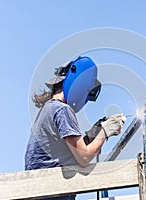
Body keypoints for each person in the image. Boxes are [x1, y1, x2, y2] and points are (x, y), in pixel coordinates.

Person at [25, 56, 126, 200]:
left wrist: (93, 134)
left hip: (40, 191)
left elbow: (67, 152)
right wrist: (105, 131)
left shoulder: (49, 109)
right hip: (52, 192)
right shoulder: (62, 110)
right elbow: (83, 157)